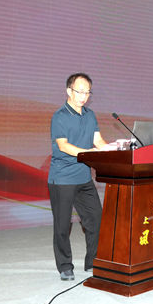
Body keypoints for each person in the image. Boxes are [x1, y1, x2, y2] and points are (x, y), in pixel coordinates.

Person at [49, 72, 108, 281]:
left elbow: (98, 141)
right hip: (62, 178)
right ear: (69, 91)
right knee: (62, 225)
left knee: (96, 219)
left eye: (87, 92)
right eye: (80, 92)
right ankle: (65, 266)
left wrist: (114, 149)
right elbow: (63, 146)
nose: (83, 96)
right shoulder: (60, 116)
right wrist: (88, 154)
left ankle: (93, 261)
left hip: (84, 177)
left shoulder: (90, 115)